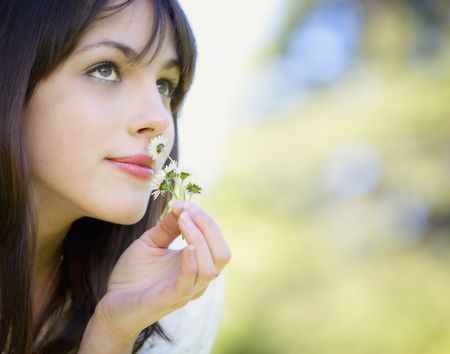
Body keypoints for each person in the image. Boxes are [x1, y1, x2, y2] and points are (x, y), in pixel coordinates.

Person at [0, 0, 231, 353]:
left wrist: (112, 332)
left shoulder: (176, 301)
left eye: (165, 86)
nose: (159, 119)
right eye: (106, 69)